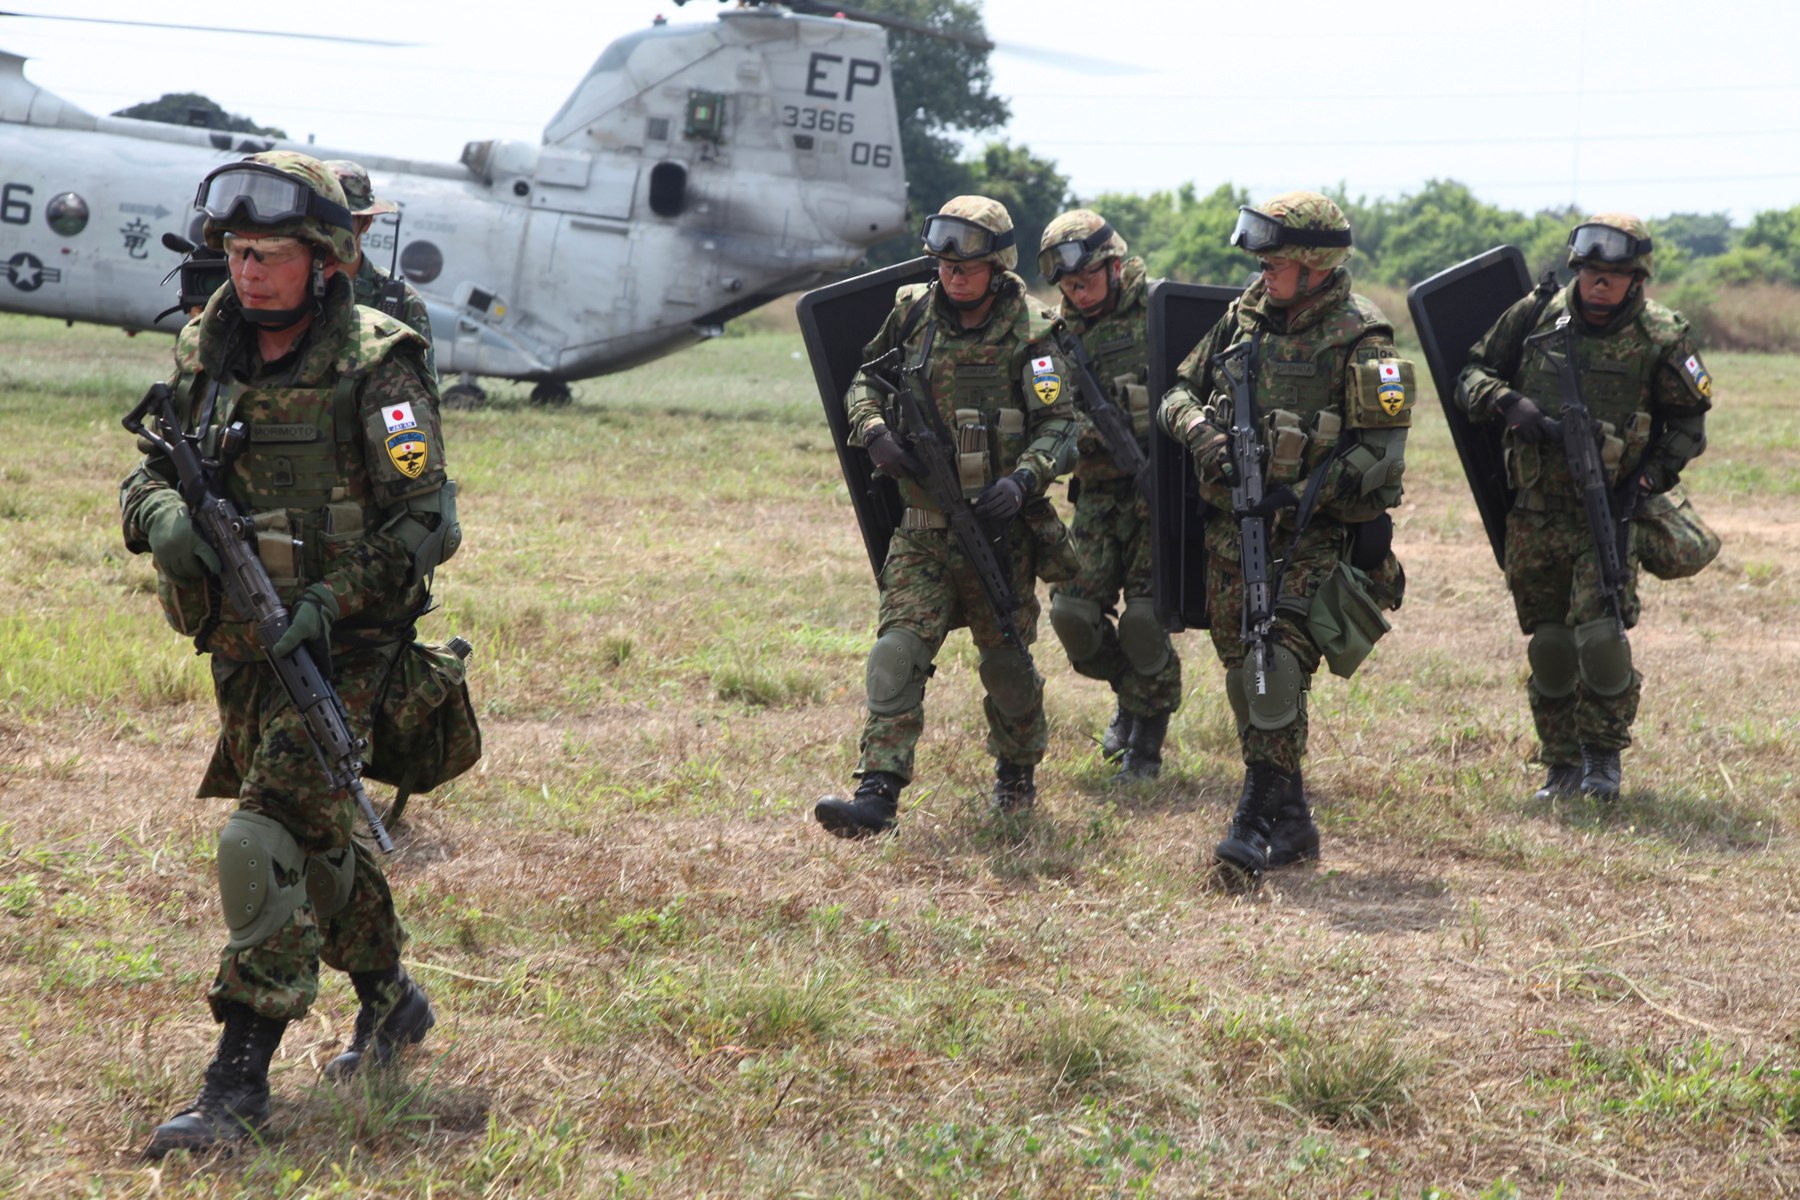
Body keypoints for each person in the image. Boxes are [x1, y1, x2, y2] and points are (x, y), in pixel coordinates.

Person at [121, 151, 460, 1158]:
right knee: (318, 847)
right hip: (237, 642)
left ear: (321, 259)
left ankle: (236, 1084)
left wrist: (327, 601)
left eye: (269, 253)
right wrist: (162, 516)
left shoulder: (378, 360)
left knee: (259, 839)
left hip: (344, 645)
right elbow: (142, 475)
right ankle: (393, 1001)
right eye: (235, 250)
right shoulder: (204, 348)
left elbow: (424, 525)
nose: (249, 270)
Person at [1158, 191, 1409, 883]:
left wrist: (1300, 494)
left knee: (1277, 666)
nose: (1263, 270)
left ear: (1314, 263)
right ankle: (1294, 819)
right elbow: (1175, 392)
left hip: (1313, 537)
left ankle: (1253, 824)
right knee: (1248, 676)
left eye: (1276, 260)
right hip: (1231, 531)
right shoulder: (1240, 319)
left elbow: (1380, 455)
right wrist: (1203, 435)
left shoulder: (1366, 339)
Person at [815, 195, 1077, 836]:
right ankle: (877, 794)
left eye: (967, 266)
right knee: (896, 651)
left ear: (998, 265)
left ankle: (1016, 780)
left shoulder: (1034, 332)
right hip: (925, 529)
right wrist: (873, 430)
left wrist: (1023, 480)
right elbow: (864, 382)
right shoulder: (913, 314)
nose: (952, 275)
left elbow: (1063, 425)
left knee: (1007, 665)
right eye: (943, 264)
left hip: (999, 533)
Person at [1456, 213, 1710, 802]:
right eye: (1592, 271)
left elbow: (1689, 423)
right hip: (1535, 511)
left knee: (1599, 637)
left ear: (1637, 279)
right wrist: (1508, 402)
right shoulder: (1537, 315)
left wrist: (1646, 477)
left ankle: (1602, 761)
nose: (1599, 284)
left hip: (1609, 511)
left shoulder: (1661, 337)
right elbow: (1470, 374)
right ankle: (1561, 764)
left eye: (1613, 275)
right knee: (1548, 644)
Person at [1038, 209, 1181, 781]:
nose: (1077, 290)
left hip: (1159, 493)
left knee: (1145, 623)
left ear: (1115, 266)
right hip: (1096, 495)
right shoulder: (1051, 335)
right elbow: (1044, 413)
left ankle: (1146, 743)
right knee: (1072, 615)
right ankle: (1132, 691)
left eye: (1086, 278)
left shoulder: (1161, 313)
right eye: (1067, 284)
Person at [325, 159, 435, 378]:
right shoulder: (283, 286)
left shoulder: (401, 302)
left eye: (344, 219)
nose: (329, 229)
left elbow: (420, 397)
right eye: (322, 217)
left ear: (366, 223)